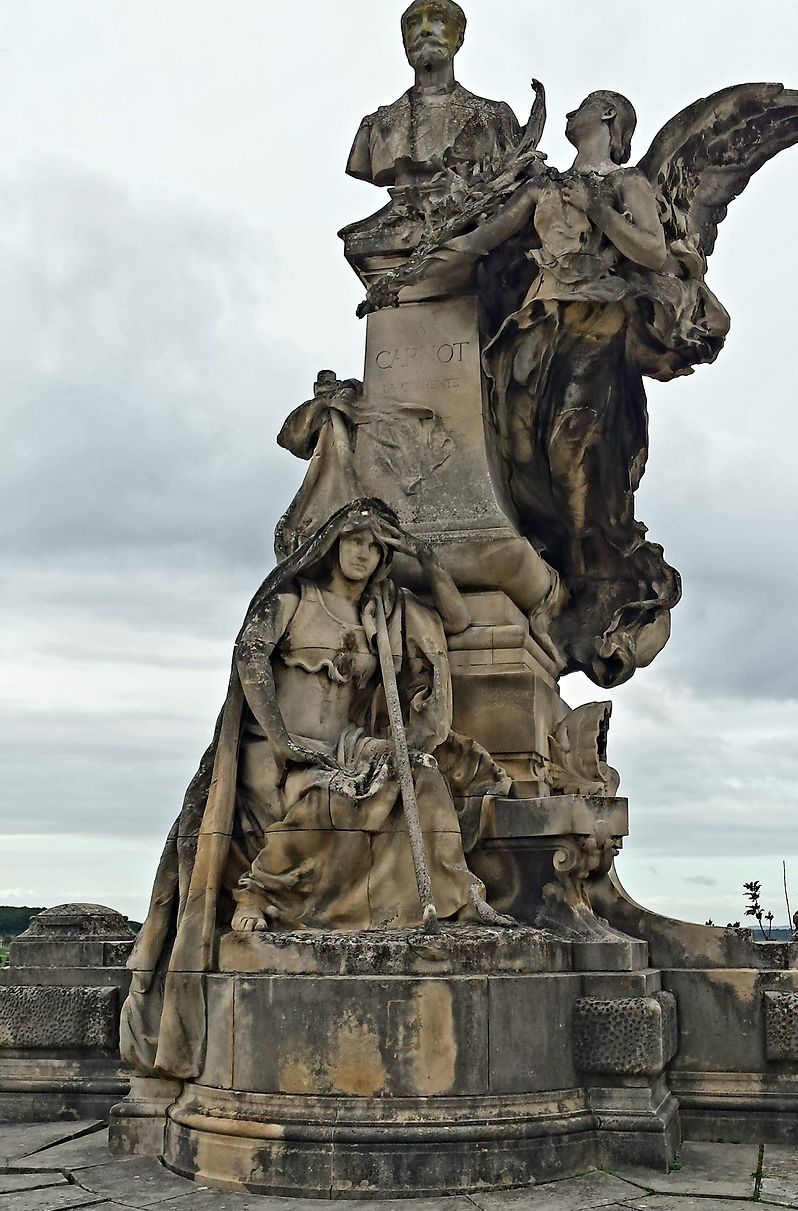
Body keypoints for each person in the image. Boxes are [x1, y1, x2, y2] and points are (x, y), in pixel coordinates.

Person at [121, 499, 510, 1080]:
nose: (363, 552)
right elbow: (249, 664)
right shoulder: (291, 603)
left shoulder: (383, 616)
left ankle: (456, 896)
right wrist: (280, 739)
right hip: (278, 758)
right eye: (354, 539)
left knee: (421, 778)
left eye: (375, 546)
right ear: (330, 545)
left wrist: (423, 556)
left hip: (347, 747)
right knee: (332, 799)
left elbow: (455, 621)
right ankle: (260, 894)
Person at [441, 91, 731, 687]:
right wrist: (413, 269)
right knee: (517, 452)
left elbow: (651, 250)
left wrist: (599, 215)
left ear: (607, 120)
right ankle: (547, 561)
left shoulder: (625, 185)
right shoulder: (543, 184)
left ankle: (587, 564)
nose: (570, 112)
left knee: (570, 452)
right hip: (534, 329)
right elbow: (480, 241)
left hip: (595, 329)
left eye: (585, 105)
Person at [347, 0, 522, 193]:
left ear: (459, 36)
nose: (425, 30)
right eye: (414, 24)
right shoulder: (376, 126)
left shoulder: (494, 118)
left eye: (437, 20)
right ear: (404, 41)